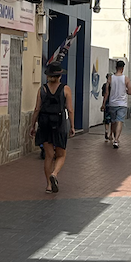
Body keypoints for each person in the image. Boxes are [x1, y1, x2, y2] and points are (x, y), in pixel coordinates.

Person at [31, 63, 75, 193]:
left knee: (49, 155)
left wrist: (32, 125)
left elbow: (37, 108)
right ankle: (54, 174)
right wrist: (72, 126)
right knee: (61, 154)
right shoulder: (66, 89)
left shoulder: (42, 89)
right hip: (59, 123)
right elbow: (70, 109)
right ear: (60, 75)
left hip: (44, 123)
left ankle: (48, 186)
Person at [107, 60, 129, 148]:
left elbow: (106, 92)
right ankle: (116, 140)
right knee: (119, 121)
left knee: (113, 121)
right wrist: (126, 90)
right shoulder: (126, 78)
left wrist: (104, 103)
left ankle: (112, 135)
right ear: (123, 68)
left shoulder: (110, 78)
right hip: (122, 103)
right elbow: (130, 91)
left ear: (116, 68)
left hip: (112, 103)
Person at [101, 72, 113, 141]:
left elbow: (104, 95)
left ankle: (106, 131)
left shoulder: (104, 85)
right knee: (113, 120)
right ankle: (111, 134)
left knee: (106, 119)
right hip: (113, 103)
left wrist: (103, 104)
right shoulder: (114, 86)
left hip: (107, 103)